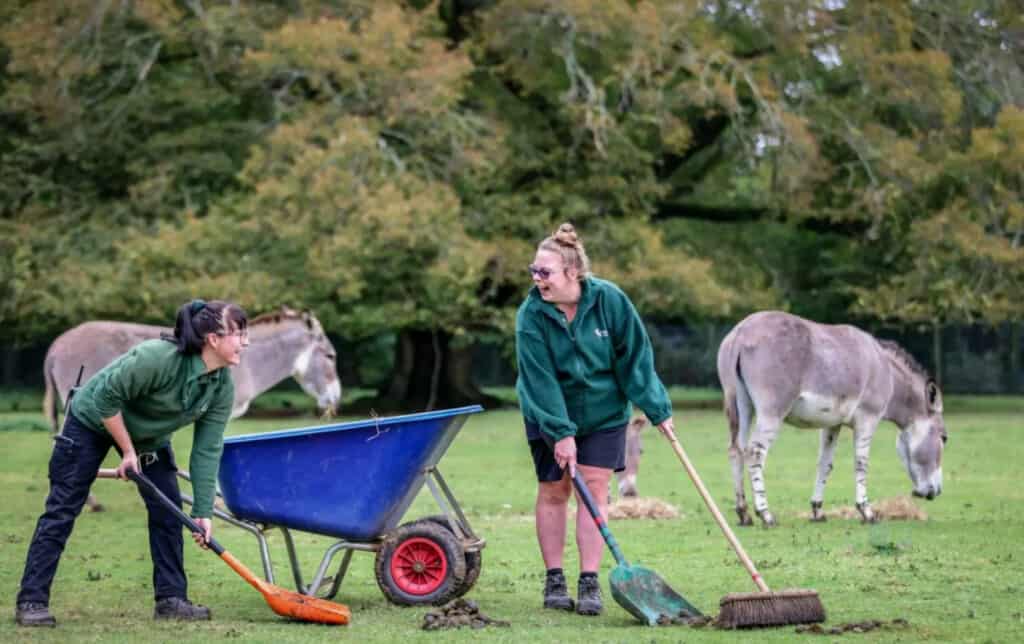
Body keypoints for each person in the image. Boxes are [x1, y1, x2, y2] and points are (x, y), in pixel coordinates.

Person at [15, 299, 248, 627]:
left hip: (149, 439)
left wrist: (204, 512)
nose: (245, 342)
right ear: (213, 338)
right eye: (239, 333)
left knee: (168, 513)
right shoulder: (157, 358)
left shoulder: (220, 384)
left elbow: (207, 450)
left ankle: (171, 599)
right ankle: (32, 600)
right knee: (62, 510)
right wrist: (127, 452)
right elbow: (104, 399)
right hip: (91, 421)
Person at [515, 223, 677, 616]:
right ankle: (555, 578)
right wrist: (560, 433)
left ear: (573, 273)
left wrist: (658, 409)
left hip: (604, 412)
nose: (538, 279)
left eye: (545, 272)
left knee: (596, 490)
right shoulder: (531, 315)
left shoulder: (610, 300)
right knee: (554, 489)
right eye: (534, 271)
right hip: (547, 409)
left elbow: (634, 357)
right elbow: (540, 379)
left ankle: (589, 581)